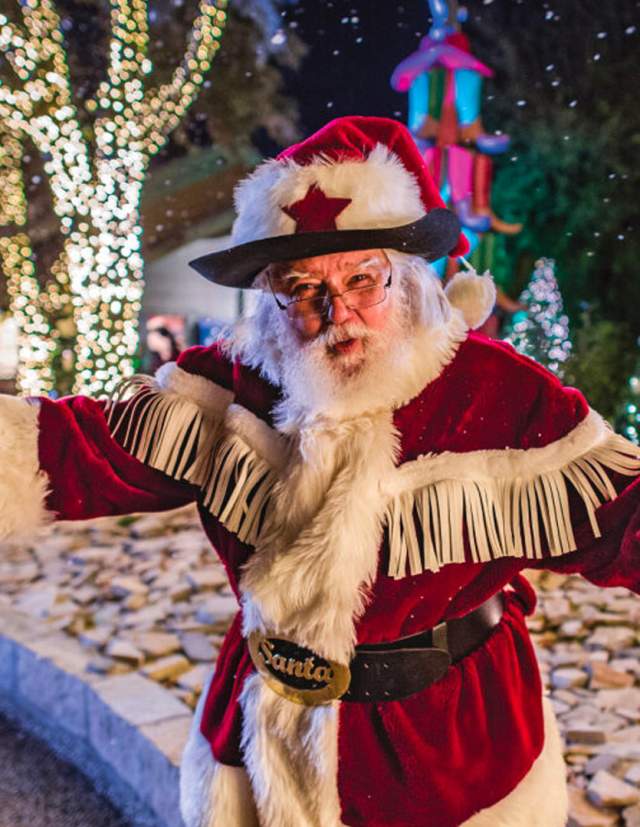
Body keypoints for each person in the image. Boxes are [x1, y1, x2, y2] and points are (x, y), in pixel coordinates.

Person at [1, 116, 639, 827]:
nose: (337, 313)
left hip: (452, 754)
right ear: (271, 300)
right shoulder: (234, 388)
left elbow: (623, 512)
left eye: (362, 279)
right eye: (302, 288)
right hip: (265, 740)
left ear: (408, 276)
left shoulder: (503, 397)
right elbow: (78, 447)